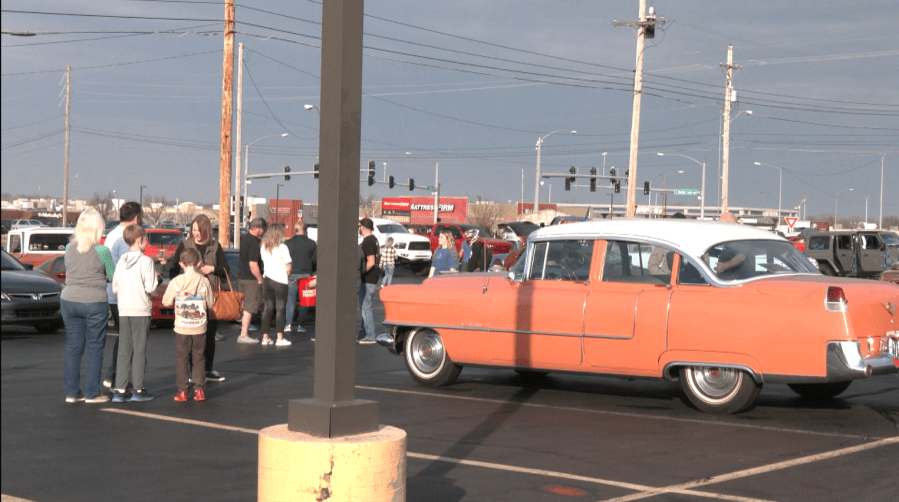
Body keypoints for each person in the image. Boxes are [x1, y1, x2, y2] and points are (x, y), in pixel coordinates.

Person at [62, 209, 115, 404]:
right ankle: (92, 392)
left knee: (73, 347)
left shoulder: (69, 247)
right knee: (95, 346)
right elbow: (113, 275)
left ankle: (71, 392)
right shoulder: (102, 251)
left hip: (69, 300)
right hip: (94, 301)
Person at [169, 215, 229, 382]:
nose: (195, 233)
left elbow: (226, 270)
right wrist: (178, 286)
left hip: (209, 297)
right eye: (193, 230)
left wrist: (213, 269)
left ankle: (207, 370)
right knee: (188, 337)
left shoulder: (215, 246)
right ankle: (190, 373)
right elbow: (173, 269)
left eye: (199, 230)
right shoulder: (185, 245)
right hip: (189, 299)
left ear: (206, 230)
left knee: (209, 335)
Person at [110, 224, 157, 403]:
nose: (146, 243)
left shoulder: (121, 262)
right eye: (145, 239)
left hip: (124, 310)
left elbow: (115, 287)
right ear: (140, 240)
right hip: (141, 310)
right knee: (139, 351)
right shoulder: (146, 262)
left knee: (124, 350)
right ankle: (138, 389)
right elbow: (151, 287)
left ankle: (120, 390)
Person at [162, 248, 215, 402]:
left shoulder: (176, 281)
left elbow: (165, 301)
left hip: (182, 327)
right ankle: (199, 391)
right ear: (198, 263)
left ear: (181, 264)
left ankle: (183, 392)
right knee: (199, 357)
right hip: (199, 326)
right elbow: (211, 304)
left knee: (182, 358)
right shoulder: (204, 281)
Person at [102, 201, 142, 390]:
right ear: (136, 218)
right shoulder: (127, 237)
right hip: (124, 295)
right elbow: (130, 265)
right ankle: (116, 376)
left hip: (112, 293)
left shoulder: (111, 235)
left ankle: (115, 375)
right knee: (129, 339)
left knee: (124, 337)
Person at [259, 223, 292, 346]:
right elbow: (288, 266)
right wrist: (286, 274)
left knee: (267, 309)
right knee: (280, 309)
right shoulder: (283, 247)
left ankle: (265, 337)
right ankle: (279, 338)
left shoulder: (263, 246)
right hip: (280, 280)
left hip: (267, 279)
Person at [237, 218, 267, 343]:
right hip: (251, 279)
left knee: (244, 307)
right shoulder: (254, 243)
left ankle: (244, 332)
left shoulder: (244, 239)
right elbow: (253, 264)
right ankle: (243, 335)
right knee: (250, 307)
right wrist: (260, 278)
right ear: (257, 229)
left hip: (241, 277)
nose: (264, 231)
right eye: (263, 229)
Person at [284, 221, 317, 334]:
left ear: (295, 229)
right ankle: (300, 325)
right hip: (306, 274)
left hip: (292, 274)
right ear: (305, 230)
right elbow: (316, 260)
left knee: (290, 300)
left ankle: (288, 324)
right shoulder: (312, 244)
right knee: (305, 301)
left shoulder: (288, 243)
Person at [357, 217, 379, 344]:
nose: (359, 229)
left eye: (360, 226)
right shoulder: (374, 240)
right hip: (373, 277)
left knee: (366, 307)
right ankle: (363, 333)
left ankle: (371, 335)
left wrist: (360, 272)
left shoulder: (368, 241)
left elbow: (371, 261)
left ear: (363, 228)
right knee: (365, 307)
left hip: (368, 278)